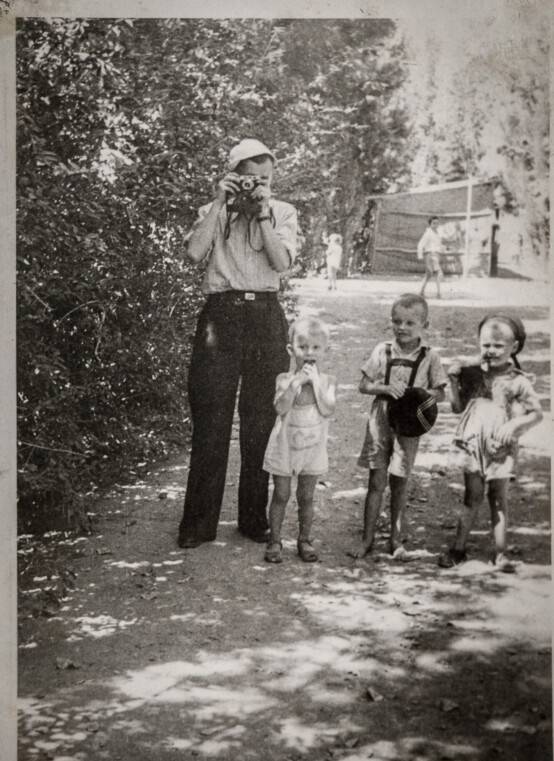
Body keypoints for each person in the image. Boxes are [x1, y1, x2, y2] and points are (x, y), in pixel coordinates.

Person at [178, 139, 298, 549]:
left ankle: (252, 518)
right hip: (221, 314)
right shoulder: (212, 211)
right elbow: (194, 253)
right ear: (233, 177)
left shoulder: (283, 212)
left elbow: (282, 263)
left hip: (265, 315)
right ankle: (198, 524)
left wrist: (263, 213)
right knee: (211, 418)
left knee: (260, 420)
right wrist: (219, 201)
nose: (256, 185)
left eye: (265, 179)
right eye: (249, 178)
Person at [439, 314, 543, 572]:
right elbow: (457, 407)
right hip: (473, 445)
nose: (491, 350)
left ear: (514, 347)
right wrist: (453, 381)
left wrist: (514, 425)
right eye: (486, 345)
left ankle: (500, 553)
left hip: (500, 448)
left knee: (498, 497)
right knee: (471, 496)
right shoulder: (472, 374)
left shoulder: (518, 380)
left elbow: (536, 414)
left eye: (498, 345)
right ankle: (458, 549)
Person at [349, 294, 446, 559]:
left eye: (409, 323)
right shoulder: (382, 350)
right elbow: (363, 386)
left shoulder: (430, 356)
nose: (401, 327)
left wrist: (418, 394)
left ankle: (396, 539)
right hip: (380, 421)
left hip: (409, 426)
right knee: (376, 481)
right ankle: (367, 538)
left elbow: (440, 393)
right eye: (396, 321)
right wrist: (384, 388)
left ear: (424, 325)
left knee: (400, 482)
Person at [263, 316, 337, 564]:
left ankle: (304, 540)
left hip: (312, 448)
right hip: (285, 445)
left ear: (325, 350)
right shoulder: (284, 379)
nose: (309, 353)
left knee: (306, 496)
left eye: (316, 347)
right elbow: (280, 408)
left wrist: (315, 383)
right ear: (291, 349)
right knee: (281, 494)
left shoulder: (328, 381)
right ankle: (275, 540)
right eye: (303, 347)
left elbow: (328, 409)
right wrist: (296, 383)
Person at [417, 216, 443, 299]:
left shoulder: (437, 234)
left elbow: (438, 245)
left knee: (429, 274)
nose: (436, 225)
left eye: (437, 223)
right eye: (434, 223)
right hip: (430, 255)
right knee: (439, 273)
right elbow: (420, 244)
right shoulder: (428, 233)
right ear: (430, 224)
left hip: (436, 255)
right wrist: (420, 255)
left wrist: (445, 248)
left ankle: (421, 292)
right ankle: (439, 294)